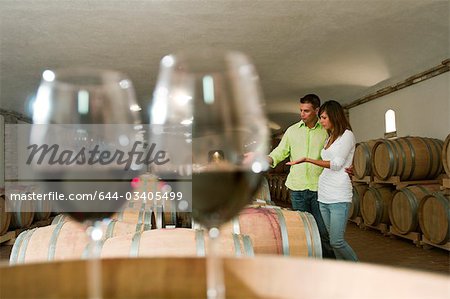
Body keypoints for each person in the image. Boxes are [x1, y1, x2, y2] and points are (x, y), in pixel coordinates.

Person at [287, 100, 358, 261]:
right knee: (330, 240)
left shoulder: (347, 135)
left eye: (324, 117)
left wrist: (307, 159)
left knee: (337, 241)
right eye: (321, 118)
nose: (321, 121)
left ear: (334, 116)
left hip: (339, 194)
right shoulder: (330, 137)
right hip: (324, 195)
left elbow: (337, 164)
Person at [267, 94, 335, 259]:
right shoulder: (292, 131)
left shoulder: (326, 129)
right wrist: (268, 159)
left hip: (320, 188)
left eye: (306, 111)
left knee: (323, 231)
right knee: (302, 231)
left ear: (317, 111)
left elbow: (336, 153)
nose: (302, 114)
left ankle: (330, 264)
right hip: (297, 188)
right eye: (301, 110)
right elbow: (280, 151)